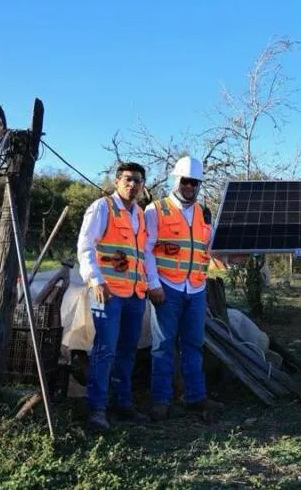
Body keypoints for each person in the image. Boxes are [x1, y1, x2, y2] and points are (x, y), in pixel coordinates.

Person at [144, 155, 221, 421]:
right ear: (176, 179)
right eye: (186, 181)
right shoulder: (156, 209)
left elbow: (209, 249)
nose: (190, 186)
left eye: (195, 182)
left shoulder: (204, 212)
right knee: (163, 345)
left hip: (196, 289)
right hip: (167, 286)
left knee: (193, 345)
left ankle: (196, 398)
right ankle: (161, 400)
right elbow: (146, 249)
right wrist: (153, 284)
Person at [77, 162, 150, 431]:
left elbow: (143, 254)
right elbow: (85, 247)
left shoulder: (140, 215)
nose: (133, 185)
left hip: (134, 293)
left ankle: (123, 403)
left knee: (127, 351)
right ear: (117, 181)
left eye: (138, 181)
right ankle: (97, 409)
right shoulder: (102, 208)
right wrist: (94, 280)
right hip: (106, 292)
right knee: (104, 349)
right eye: (128, 179)